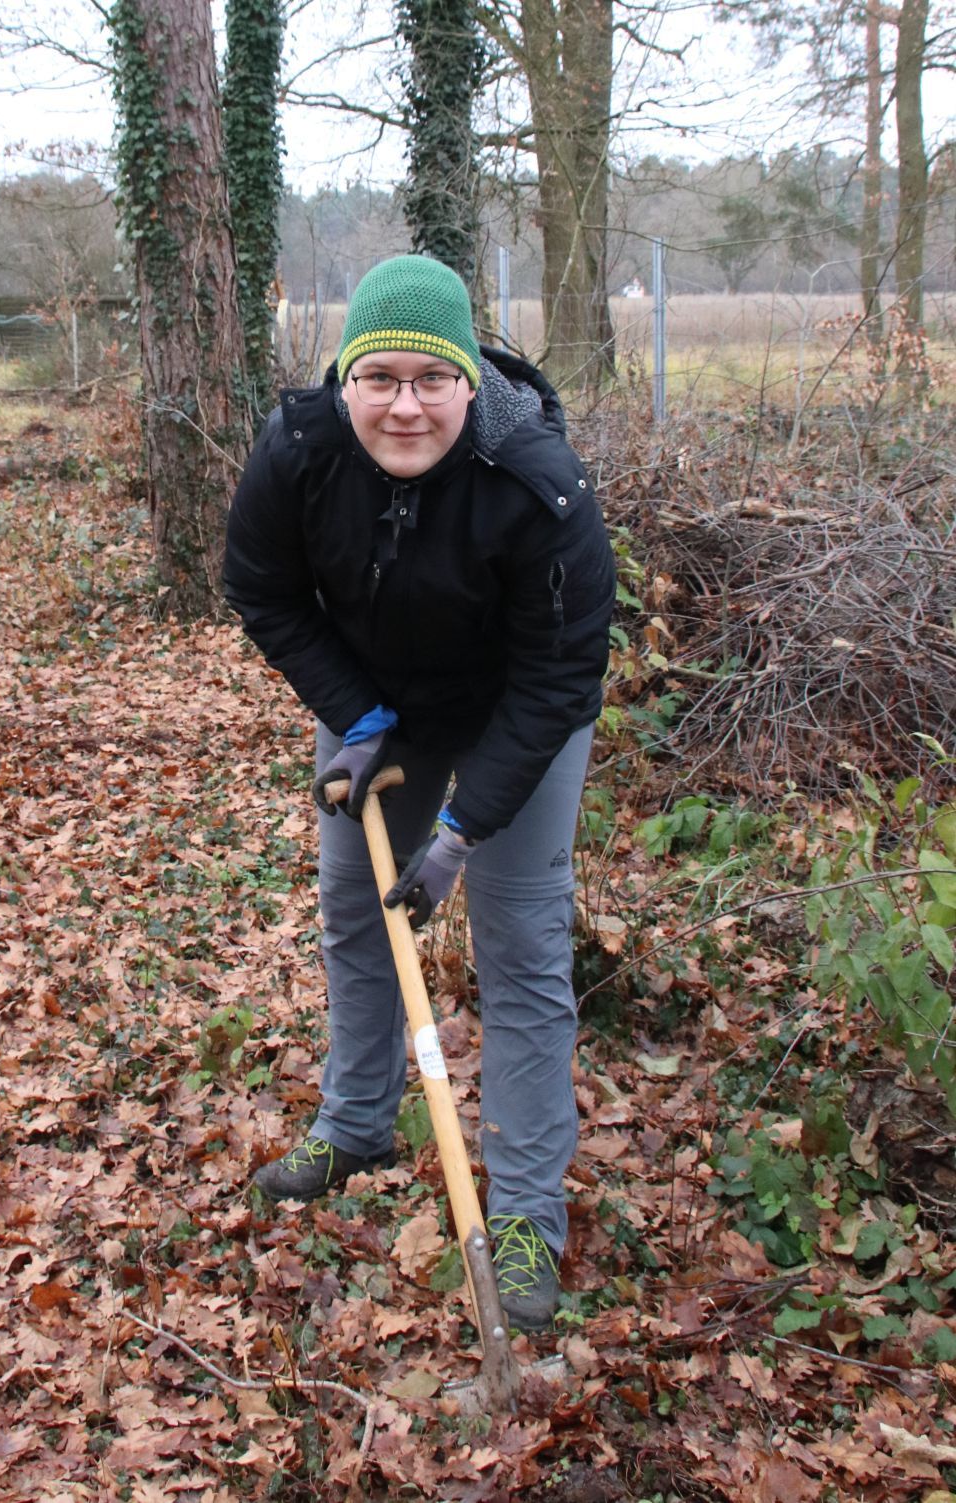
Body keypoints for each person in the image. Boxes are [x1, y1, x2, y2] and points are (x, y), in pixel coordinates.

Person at [223, 255, 615, 1331]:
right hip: (375, 711)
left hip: (514, 717)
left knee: (522, 949)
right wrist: (355, 715)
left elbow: (560, 675)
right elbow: (259, 587)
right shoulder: (299, 447)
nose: (403, 406)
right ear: (344, 375)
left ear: (468, 382)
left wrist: (461, 827)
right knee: (354, 918)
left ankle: (528, 1212)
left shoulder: (537, 482)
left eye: (429, 380)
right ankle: (354, 1123)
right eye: (379, 377)